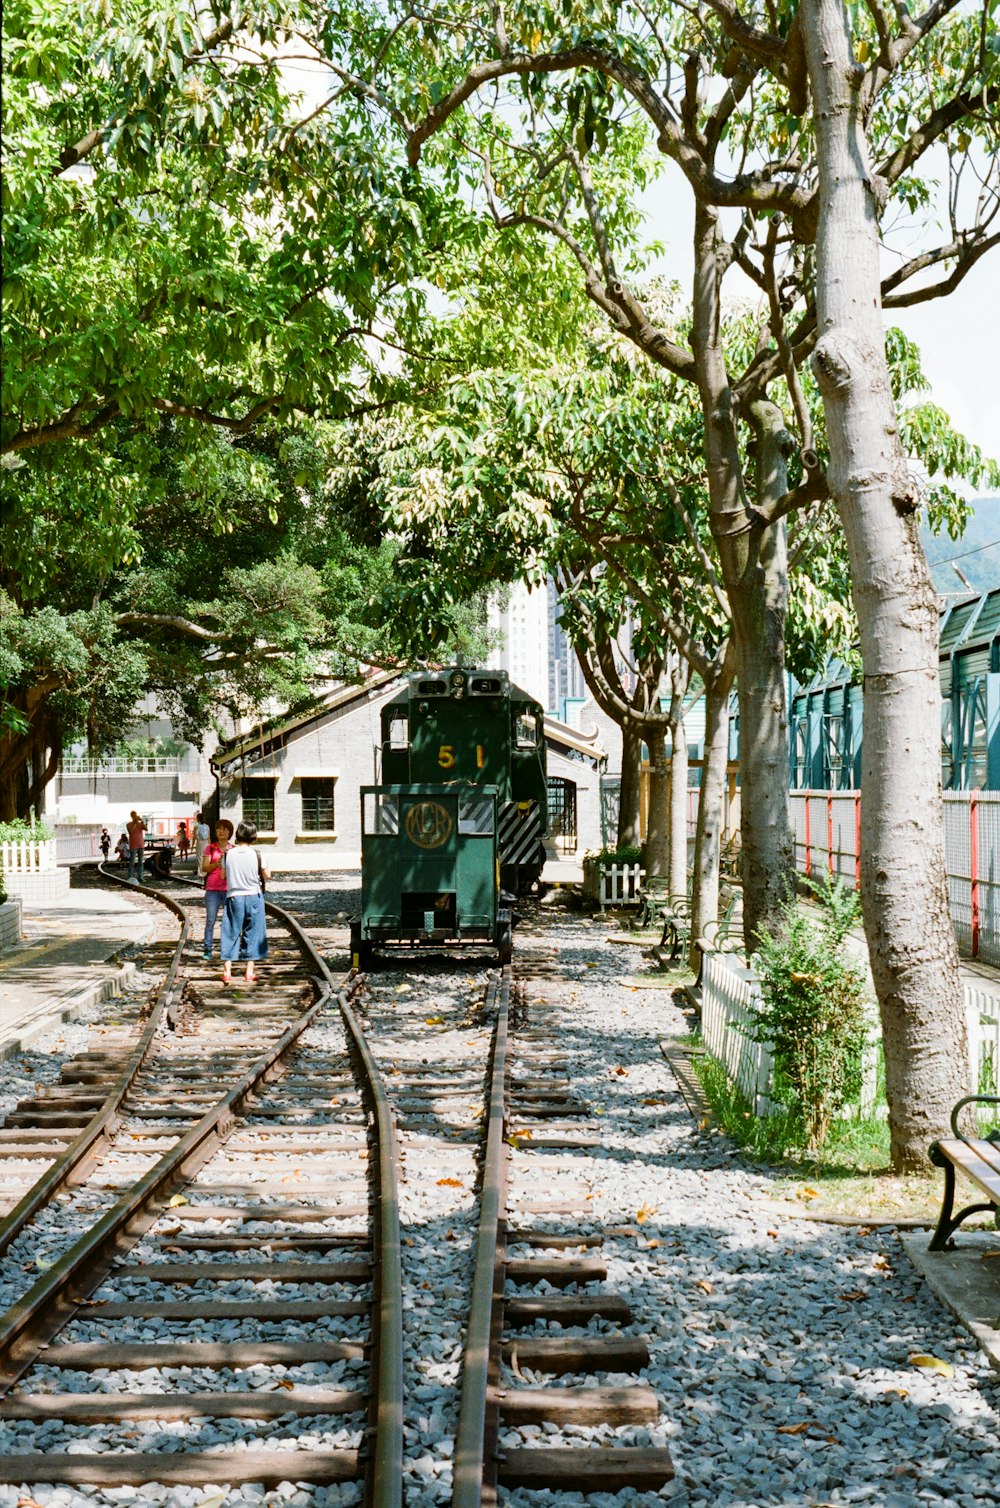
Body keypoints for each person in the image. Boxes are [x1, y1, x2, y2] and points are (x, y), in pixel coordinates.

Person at [219, 821, 270, 985]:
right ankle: (249, 972)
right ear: (253, 835)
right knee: (253, 932)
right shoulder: (257, 854)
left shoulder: (228, 854)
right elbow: (267, 875)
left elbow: (222, 876)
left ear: (237, 835)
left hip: (234, 897)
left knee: (230, 932)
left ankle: (227, 972)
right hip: (254, 896)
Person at [200, 819, 233, 961]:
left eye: (225, 829)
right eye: (219, 829)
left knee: (228, 920)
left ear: (229, 832)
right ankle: (208, 948)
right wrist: (216, 864)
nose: (221, 831)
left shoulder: (234, 849)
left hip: (228, 889)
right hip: (212, 888)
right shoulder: (210, 848)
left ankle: (227, 948)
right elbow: (204, 868)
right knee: (211, 920)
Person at [126, 810, 146, 883]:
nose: (135, 816)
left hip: (141, 844)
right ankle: (130, 876)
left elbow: (146, 829)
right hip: (133, 845)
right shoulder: (129, 824)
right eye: (133, 815)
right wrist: (135, 823)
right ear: (131, 816)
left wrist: (142, 822)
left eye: (135, 815)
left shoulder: (140, 824)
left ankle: (140, 876)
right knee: (132, 861)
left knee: (141, 861)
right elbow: (130, 831)